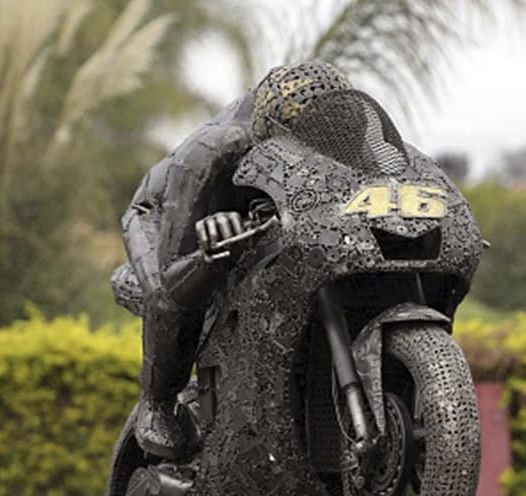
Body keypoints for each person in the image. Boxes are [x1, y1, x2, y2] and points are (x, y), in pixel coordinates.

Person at [116, 61, 351, 458]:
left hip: (250, 210)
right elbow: (173, 276)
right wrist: (204, 252)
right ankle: (157, 405)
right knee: (168, 297)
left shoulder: (352, 143)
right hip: (167, 212)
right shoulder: (215, 150)